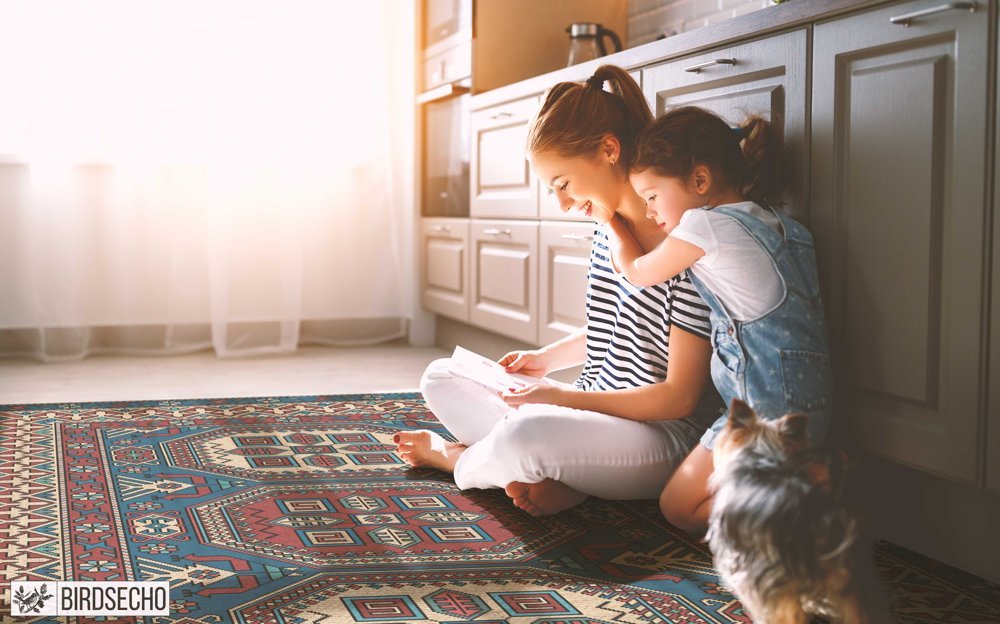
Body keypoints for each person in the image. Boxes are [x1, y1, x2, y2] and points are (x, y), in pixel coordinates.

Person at [394, 65, 724, 517]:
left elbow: (680, 398)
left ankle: (457, 459)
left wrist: (559, 398)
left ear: (609, 149)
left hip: (660, 434)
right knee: (441, 375)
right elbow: (616, 329)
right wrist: (546, 361)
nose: (563, 203)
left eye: (563, 184)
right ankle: (567, 474)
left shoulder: (684, 240)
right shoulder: (608, 228)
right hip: (596, 412)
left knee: (526, 434)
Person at [607, 105, 833, 533]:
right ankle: (788, 482)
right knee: (703, 494)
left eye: (652, 196)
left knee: (678, 507)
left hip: (763, 411)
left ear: (700, 181)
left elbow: (639, 274)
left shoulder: (702, 225)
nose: (651, 212)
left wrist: (614, 229)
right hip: (814, 407)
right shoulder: (786, 226)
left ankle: (796, 492)